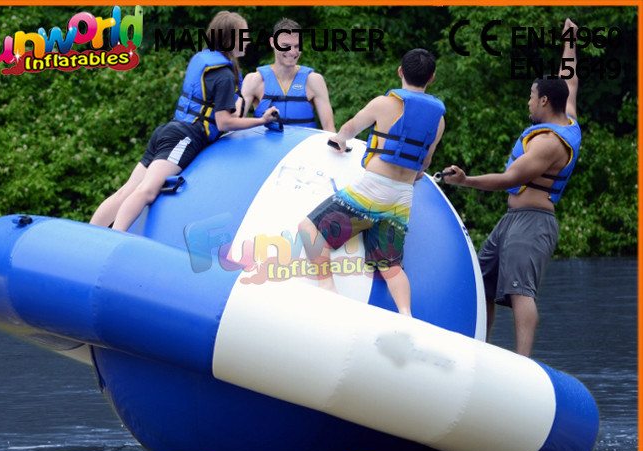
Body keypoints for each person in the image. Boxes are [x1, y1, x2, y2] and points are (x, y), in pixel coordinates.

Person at [441, 18, 581, 357]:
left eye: (531, 97)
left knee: (520, 291)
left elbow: (509, 180)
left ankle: (522, 362)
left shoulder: (549, 143)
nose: (528, 103)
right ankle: (481, 350)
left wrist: (465, 181)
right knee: (482, 282)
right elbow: (570, 79)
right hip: (512, 221)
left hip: (533, 222)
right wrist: (569, 41)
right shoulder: (568, 115)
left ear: (544, 100)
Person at [91, 11, 279, 230]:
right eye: (244, 35)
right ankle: (115, 238)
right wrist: (262, 120)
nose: (248, 40)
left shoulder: (206, 60)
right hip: (185, 137)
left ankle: (89, 234)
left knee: (126, 191)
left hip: (169, 131)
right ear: (230, 38)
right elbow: (225, 123)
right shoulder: (224, 75)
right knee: (147, 191)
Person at [298, 48, 446, 316]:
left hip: (371, 191)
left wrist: (340, 141)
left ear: (400, 71)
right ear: (432, 78)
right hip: (402, 197)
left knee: (308, 228)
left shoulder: (384, 104)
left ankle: (327, 287)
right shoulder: (439, 120)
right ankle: (406, 314)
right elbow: (424, 163)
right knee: (390, 263)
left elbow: (349, 128)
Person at [240, 18, 335, 132]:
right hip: (264, 143)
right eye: (285, 45)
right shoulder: (254, 80)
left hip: (302, 143)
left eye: (297, 46)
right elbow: (234, 125)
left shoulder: (314, 81)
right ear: (272, 42)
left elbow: (330, 130)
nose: (292, 52)